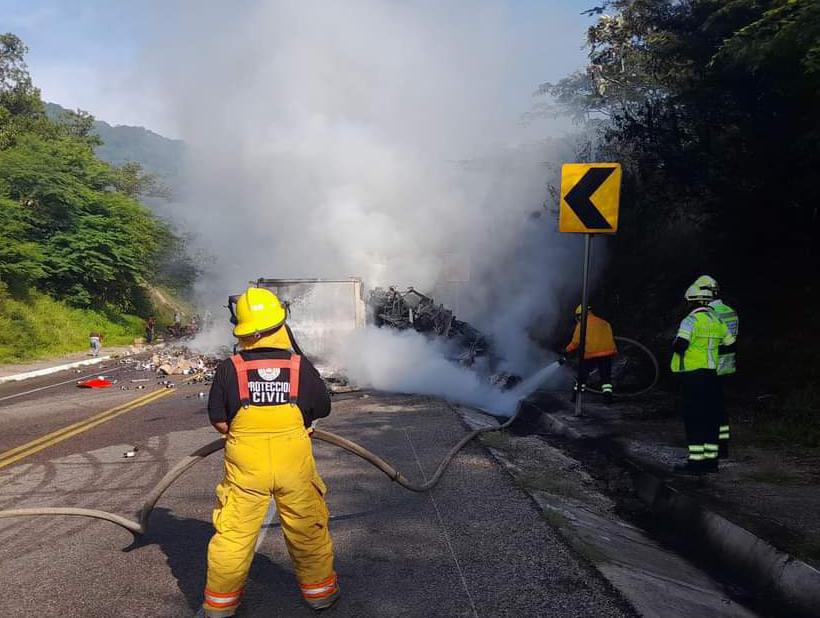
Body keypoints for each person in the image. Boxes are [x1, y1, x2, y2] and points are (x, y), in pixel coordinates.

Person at [202, 287, 338, 616]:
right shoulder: (299, 366)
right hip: (294, 462)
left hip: (246, 466)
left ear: (243, 329)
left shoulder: (229, 368)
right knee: (307, 528)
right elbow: (322, 407)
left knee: (234, 534)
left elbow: (219, 420)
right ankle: (320, 594)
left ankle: (220, 606)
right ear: (281, 322)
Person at [671, 283, 735, 474]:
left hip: (693, 376)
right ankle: (711, 461)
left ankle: (696, 463)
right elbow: (730, 343)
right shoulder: (717, 319)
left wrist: (676, 346)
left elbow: (680, 344)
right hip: (712, 375)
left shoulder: (690, 320)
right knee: (711, 418)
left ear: (691, 301)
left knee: (694, 418)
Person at [692, 275, 739, 458]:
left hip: (708, 366)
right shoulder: (730, 311)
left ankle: (709, 447)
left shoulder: (707, 314)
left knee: (706, 408)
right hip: (726, 366)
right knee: (720, 408)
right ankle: (723, 445)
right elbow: (731, 341)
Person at [560, 305, 618, 404]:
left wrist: (566, 350)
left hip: (591, 353)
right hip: (607, 353)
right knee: (606, 377)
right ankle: (608, 398)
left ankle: (576, 396)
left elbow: (575, 342)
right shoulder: (604, 322)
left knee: (582, 376)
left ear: (580, 315)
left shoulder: (582, 325)